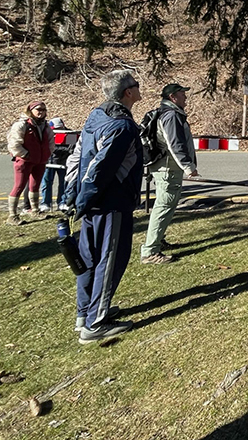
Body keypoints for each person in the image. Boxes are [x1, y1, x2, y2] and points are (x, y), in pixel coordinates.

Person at [64, 69, 143, 344]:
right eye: (136, 84)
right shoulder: (121, 126)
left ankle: (85, 313)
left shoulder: (96, 116)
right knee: (109, 260)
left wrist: (74, 198)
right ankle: (95, 324)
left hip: (92, 203)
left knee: (89, 259)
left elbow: (76, 159)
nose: (139, 87)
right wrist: (84, 199)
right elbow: (99, 169)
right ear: (127, 93)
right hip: (111, 203)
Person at [140, 83, 199, 264]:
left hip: (166, 167)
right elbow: (175, 144)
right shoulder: (171, 116)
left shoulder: (169, 114)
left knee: (164, 205)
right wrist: (188, 167)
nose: (186, 98)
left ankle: (158, 240)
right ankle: (150, 252)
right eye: (182, 94)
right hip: (168, 169)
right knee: (164, 206)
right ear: (173, 97)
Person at [6, 100, 52, 224]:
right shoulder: (21, 125)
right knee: (19, 186)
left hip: (40, 161)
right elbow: (14, 144)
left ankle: (35, 210)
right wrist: (26, 155)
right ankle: (12, 215)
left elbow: (51, 142)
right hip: (24, 161)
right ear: (30, 110)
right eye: (38, 109)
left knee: (35, 186)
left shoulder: (45, 125)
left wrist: (47, 154)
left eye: (43, 110)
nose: (41, 112)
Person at [40, 117, 71, 212]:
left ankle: (62, 202)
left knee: (64, 183)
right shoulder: (46, 134)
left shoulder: (69, 134)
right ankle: (45, 203)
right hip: (49, 162)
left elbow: (71, 147)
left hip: (63, 161)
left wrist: (65, 150)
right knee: (46, 182)